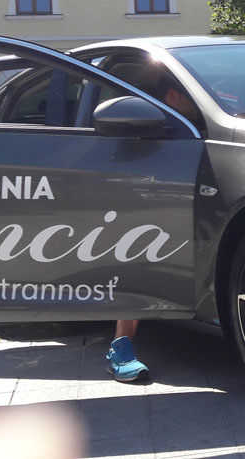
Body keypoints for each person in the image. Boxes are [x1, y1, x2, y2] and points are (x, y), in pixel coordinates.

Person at [104, 67, 198, 383]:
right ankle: (120, 346)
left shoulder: (195, 121)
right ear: (172, 95)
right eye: (192, 97)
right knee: (135, 254)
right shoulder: (144, 123)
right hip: (134, 205)